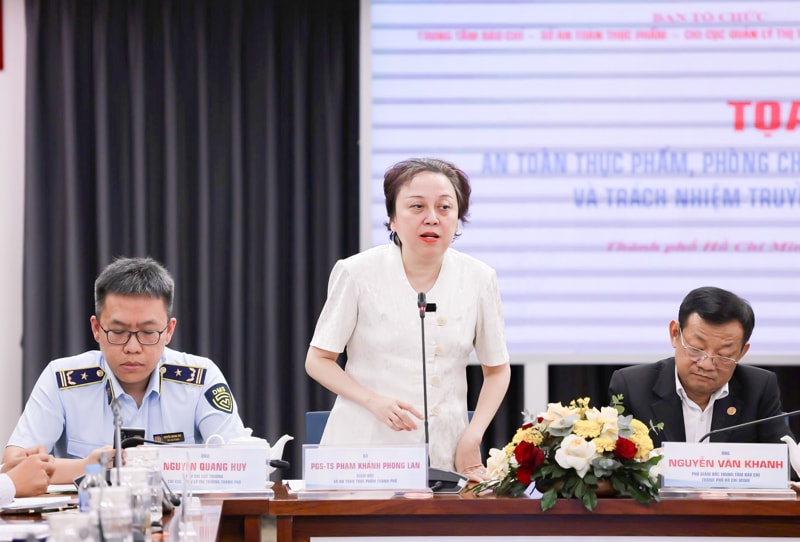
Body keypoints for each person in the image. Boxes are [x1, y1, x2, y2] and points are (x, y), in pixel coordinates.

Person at [305, 157, 511, 480]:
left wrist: (473, 435)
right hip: (363, 453)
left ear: (458, 219)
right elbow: (318, 360)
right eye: (417, 207)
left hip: (448, 454)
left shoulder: (479, 278)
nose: (432, 218)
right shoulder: (357, 273)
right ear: (392, 220)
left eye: (445, 207)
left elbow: (497, 370)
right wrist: (373, 401)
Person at [3, 257, 247, 484]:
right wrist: (90, 467)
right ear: (96, 329)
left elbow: (240, 464)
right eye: (118, 332)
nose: (132, 347)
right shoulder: (61, 379)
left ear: (169, 331)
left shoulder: (201, 378)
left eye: (148, 332)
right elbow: (13, 467)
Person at [608, 286, 794, 448]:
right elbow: (612, 463)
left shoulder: (759, 388)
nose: (706, 364)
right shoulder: (632, 387)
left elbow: (786, 463)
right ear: (675, 334)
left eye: (723, 355)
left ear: (742, 352)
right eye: (696, 348)